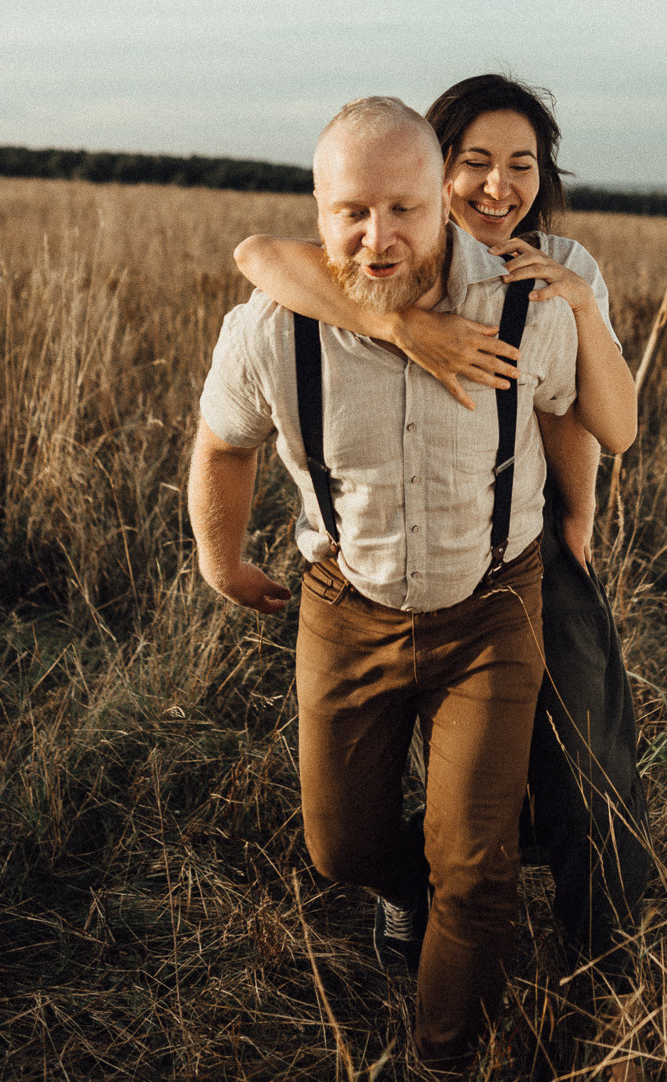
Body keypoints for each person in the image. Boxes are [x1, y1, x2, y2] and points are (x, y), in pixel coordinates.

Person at [189, 96, 634, 1074]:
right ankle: (418, 890)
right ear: (320, 206)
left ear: (437, 200)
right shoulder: (273, 328)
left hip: (492, 602)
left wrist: (575, 519)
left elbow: (583, 412)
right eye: (351, 211)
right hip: (347, 609)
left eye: (401, 208)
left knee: (479, 870)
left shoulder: (532, 295)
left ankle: (444, 1053)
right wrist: (220, 559)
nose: (377, 235)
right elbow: (221, 441)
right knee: (340, 849)